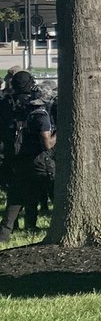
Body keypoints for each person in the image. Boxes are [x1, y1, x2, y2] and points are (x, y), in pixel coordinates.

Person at [0, 71, 55, 242]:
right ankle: (33, 224)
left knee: (17, 193)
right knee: (54, 189)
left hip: (13, 155)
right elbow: (46, 140)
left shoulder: (5, 104)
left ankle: (6, 232)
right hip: (38, 157)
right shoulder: (35, 107)